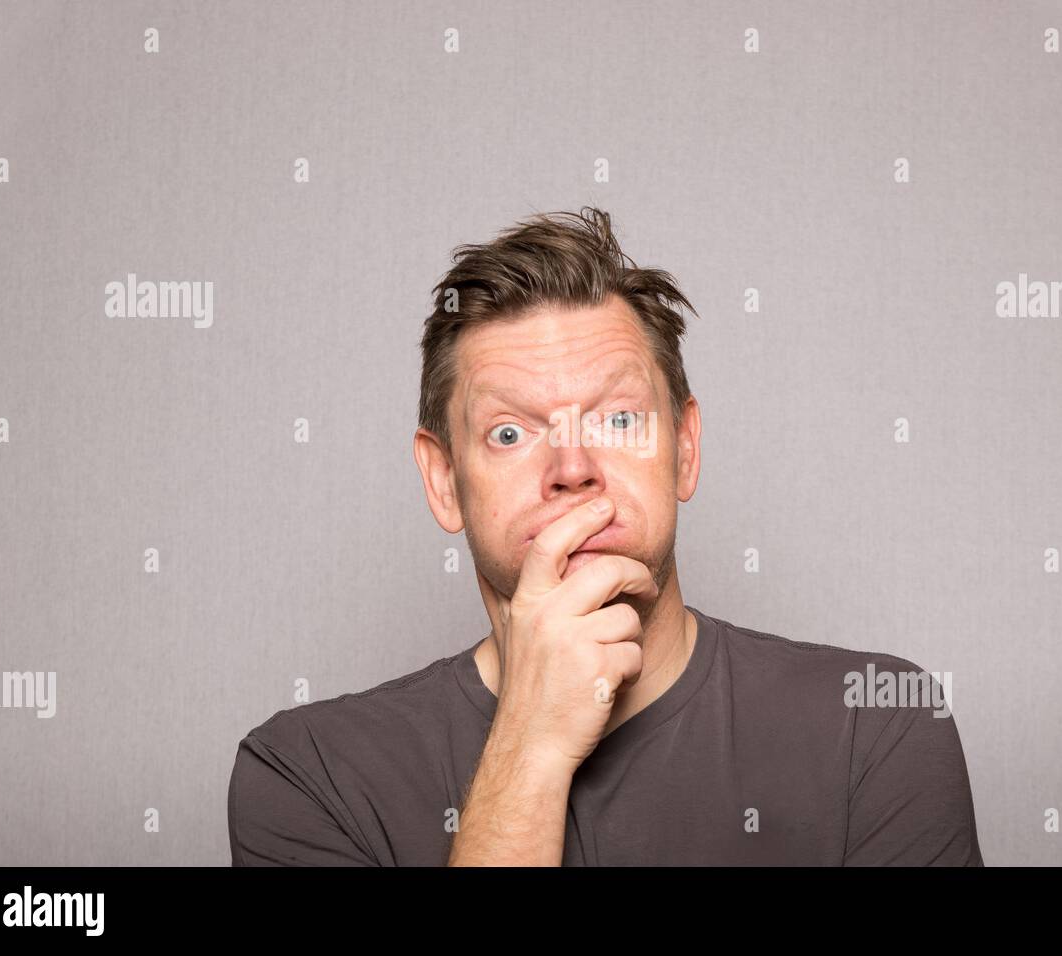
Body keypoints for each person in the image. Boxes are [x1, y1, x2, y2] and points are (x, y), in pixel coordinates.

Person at [227, 207, 984, 866]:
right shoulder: (308, 773)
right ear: (443, 479)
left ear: (684, 448)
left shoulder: (877, 726)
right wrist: (531, 745)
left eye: (619, 420)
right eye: (510, 431)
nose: (573, 468)